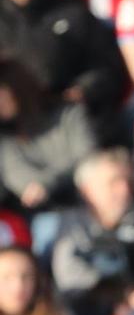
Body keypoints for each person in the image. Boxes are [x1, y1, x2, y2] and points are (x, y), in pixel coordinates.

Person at [0, 0, 126, 132]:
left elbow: (108, 68)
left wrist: (82, 91)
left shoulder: (72, 10)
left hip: (70, 122)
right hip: (12, 131)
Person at [48, 150, 134, 304]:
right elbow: (68, 278)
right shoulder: (71, 224)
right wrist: (118, 293)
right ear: (88, 190)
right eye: (114, 182)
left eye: (127, 181)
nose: (124, 190)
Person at [0, 57, 96, 210]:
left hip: (90, 198)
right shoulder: (5, 139)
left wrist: (48, 184)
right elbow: (23, 183)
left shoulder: (68, 114)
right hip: (48, 212)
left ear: (16, 86)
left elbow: (89, 159)